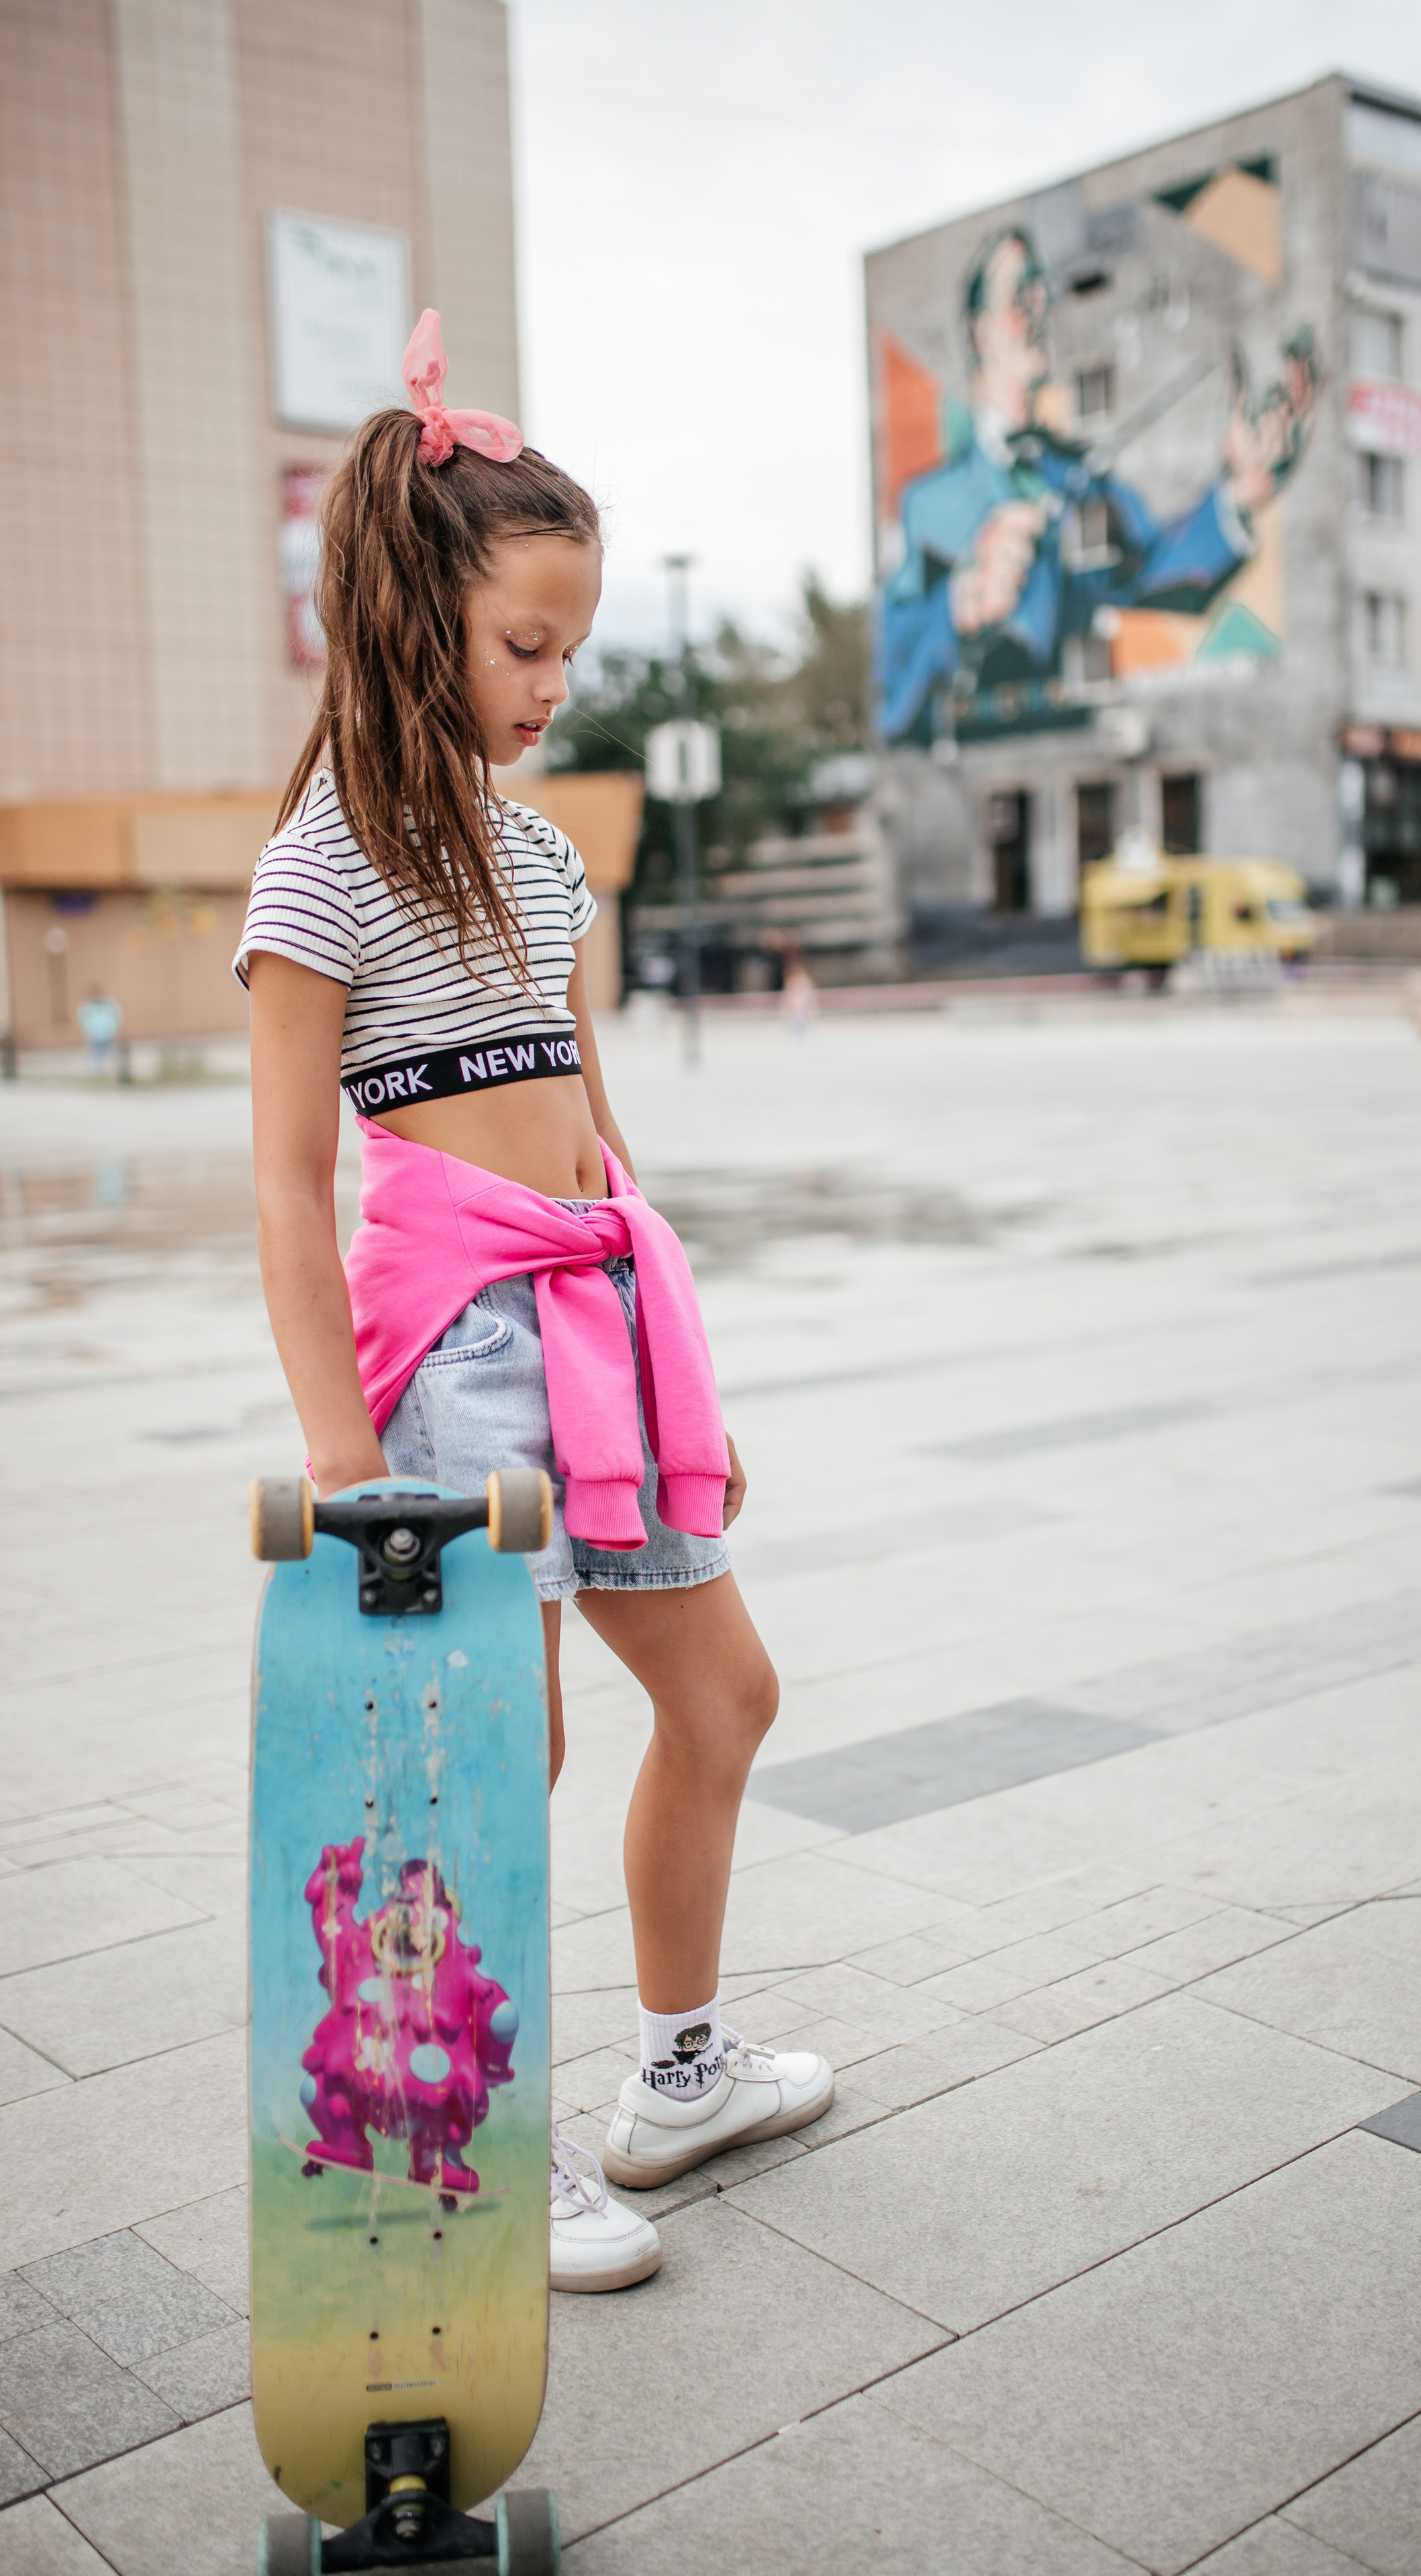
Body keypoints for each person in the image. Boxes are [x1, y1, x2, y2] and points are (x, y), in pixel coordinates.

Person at [235, 310, 832, 2298]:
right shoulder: (321, 866)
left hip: (602, 1332)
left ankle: (679, 2073)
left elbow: (592, 1123)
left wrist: (684, 1385)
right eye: (525, 643)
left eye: (571, 646)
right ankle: (470, 2142)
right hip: (456, 1362)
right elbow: (288, 1182)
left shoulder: (540, 857)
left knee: (725, 1696)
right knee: (503, 1756)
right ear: (416, 621)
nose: (557, 681)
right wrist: (342, 1457)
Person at [877, 226, 1321, 743]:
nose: (1039, 310)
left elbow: (1153, 572)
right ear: (980, 332)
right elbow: (891, 663)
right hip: (976, 747)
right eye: (1020, 296)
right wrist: (960, 606)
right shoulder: (925, 501)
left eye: (1042, 293)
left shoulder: (1079, 477)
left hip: (1074, 734)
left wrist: (1240, 492)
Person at [77, 987, 123, 1072]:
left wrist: (114, 1030)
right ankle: (95, 1070)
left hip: (108, 1033)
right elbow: (82, 1020)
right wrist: (87, 1031)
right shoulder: (87, 1006)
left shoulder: (109, 1004)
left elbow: (117, 1017)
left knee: (111, 1053)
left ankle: (111, 1070)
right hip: (94, 1034)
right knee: (95, 1054)